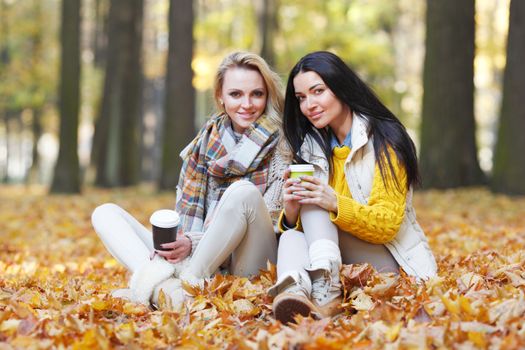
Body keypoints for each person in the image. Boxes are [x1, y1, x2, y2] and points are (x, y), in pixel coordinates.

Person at [91, 51, 287, 309]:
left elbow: (274, 221)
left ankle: (179, 288)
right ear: (220, 96)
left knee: (243, 192)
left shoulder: (283, 145)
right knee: (105, 213)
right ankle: (168, 289)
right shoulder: (202, 146)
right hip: (198, 256)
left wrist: (193, 242)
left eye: (256, 94)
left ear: (267, 95)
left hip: (250, 260)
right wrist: (178, 243)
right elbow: (185, 219)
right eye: (236, 94)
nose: (247, 104)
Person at [268, 51, 437, 324]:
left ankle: (325, 297)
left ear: (341, 86)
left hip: (392, 264)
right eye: (301, 98)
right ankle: (294, 295)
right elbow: (308, 228)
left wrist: (334, 202)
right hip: (340, 264)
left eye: (318, 91)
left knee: (317, 200)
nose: (309, 104)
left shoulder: (385, 139)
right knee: (291, 236)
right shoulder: (313, 146)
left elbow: (388, 225)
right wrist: (290, 214)